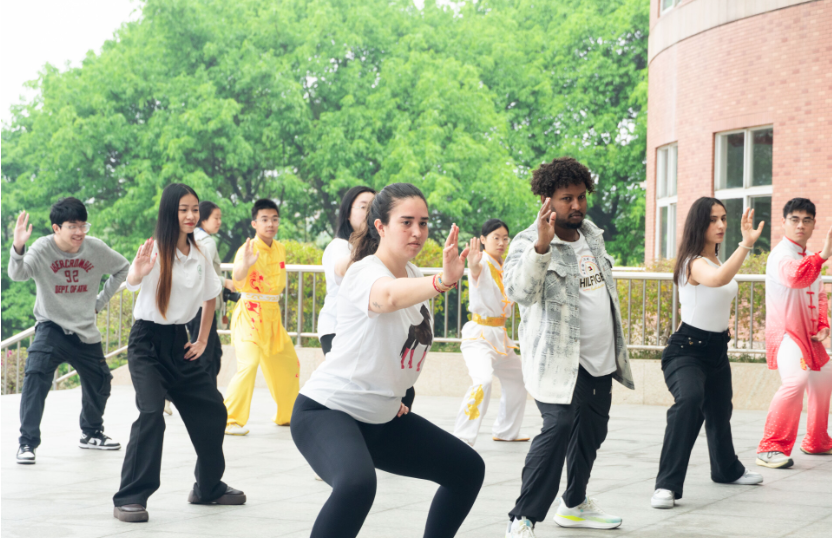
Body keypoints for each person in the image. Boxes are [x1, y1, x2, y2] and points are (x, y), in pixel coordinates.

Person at [291, 183, 485, 538]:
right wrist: (442, 280)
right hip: (325, 411)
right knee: (356, 485)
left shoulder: (413, 276)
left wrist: (395, 396)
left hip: (380, 416)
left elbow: (400, 347)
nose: (417, 232)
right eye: (406, 222)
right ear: (380, 226)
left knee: (467, 470)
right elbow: (387, 298)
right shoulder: (364, 271)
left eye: (424, 223)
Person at [503, 157, 634, 536]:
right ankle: (523, 517)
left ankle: (575, 504)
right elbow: (518, 293)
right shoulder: (528, 241)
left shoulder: (592, 234)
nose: (576, 206)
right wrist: (542, 249)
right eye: (566, 199)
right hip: (558, 361)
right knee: (558, 427)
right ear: (547, 200)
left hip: (599, 359)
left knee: (590, 434)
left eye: (580, 197)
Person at [113, 183, 245, 522]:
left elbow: (211, 296)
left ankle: (208, 487)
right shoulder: (155, 249)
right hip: (146, 344)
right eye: (183, 209)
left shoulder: (202, 248)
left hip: (179, 341)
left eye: (195, 209)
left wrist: (202, 340)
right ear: (170, 212)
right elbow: (131, 281)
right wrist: (137, 272)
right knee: (151, 413)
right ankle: (130, 497)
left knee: (214, 410)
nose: (190, 215)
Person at [651, 197, 765, 510]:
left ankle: (726, 470)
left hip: (716, 349)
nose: (720, 225)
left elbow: (715, 283)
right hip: (686, 350)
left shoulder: (714, 260)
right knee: (689, 403)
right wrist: (746, 245)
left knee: (718, 412)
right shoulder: (692, 261)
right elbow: (717, 281)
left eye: (723, 218)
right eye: (713, 219)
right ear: (698, 224)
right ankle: (666, 485)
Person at [9, 198, 128, 464]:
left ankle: (91, 433)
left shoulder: (95, 248)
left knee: (100, 380)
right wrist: (18, 246)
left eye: (82, 225)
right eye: (72, 226)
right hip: (51, 326)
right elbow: (18, 274)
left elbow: (123, 268)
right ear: (56, 228)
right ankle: (27, 443)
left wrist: (99, 302)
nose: (79, 232)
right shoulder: (42, 248)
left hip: (85, 328)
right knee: (36, 376)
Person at [756, 198, 832, 469]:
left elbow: (820, 296)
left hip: (810, 338)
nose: (801, 225)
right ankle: (770, 447)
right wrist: (823, 255)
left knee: (824, 379)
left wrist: (823, 325)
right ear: (784, 222)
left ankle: (817, 440)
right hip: (787, 335)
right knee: (795, 381)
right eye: (795, 219)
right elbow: (796, 277)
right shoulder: (781, 255)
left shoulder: (805, 256)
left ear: (813, 224)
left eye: (807, 220)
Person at [223, 199, 300, 435]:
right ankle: (229, 420)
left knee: (289, 364)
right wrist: (245, 265)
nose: (271, 224)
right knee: (249, 364)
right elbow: (237, 278)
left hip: (272, 319)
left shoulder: (280, 249)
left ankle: (288, 416)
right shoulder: (246, 249)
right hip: (250, 315)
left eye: (275, 219)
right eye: (265, 220)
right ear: (254, 223)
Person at [453, 219, 527, 447]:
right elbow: (475, 270)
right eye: (496, 237)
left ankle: (506, 430)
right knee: (482, 381)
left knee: (518, 379)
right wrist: (473, 265)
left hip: (500, 337)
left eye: (505, 238)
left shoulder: (505, 265)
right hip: (479, 337)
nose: (502, 242)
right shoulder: (482, 261)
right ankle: (462, 437)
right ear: (483, 240)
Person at [318, 185, 376, 355]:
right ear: (347, 212)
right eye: (364, 206)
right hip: (337, 329)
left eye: (374, 208)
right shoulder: (339, 246)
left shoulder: (376, 249)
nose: (369, 213)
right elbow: (341, 267)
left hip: (363, 330)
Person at [184, 201, 236, 384]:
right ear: (203, 219)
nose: (219, 222)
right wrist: (226, 281)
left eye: (220, 218)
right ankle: (188, 393)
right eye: (216, 218)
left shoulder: (191, 237)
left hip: (193, 304)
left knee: (212, 352)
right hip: (202, 305)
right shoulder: (208, 242)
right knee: (204, 355)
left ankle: (208, 394)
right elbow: (202, 273)